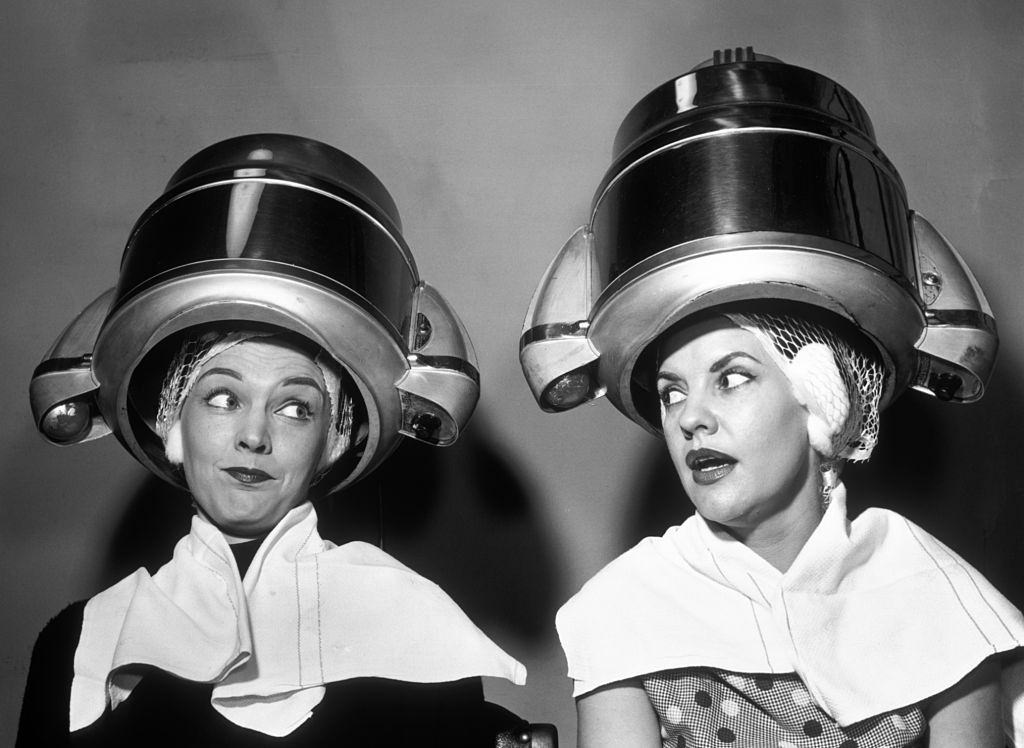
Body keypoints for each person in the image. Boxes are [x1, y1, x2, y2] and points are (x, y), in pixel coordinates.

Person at [519, 49, 1024, 746]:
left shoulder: (937, 600)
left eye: (732, 377)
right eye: (670, 393)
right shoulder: (624, 612)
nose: (691, 416)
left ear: (822, 403)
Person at [20, 135, 529, 746]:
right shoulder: (80, 643)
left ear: (332, 443)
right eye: (222, 398)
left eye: (294, 408)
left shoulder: (416, 633)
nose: (254, 436)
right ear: (172, 426)